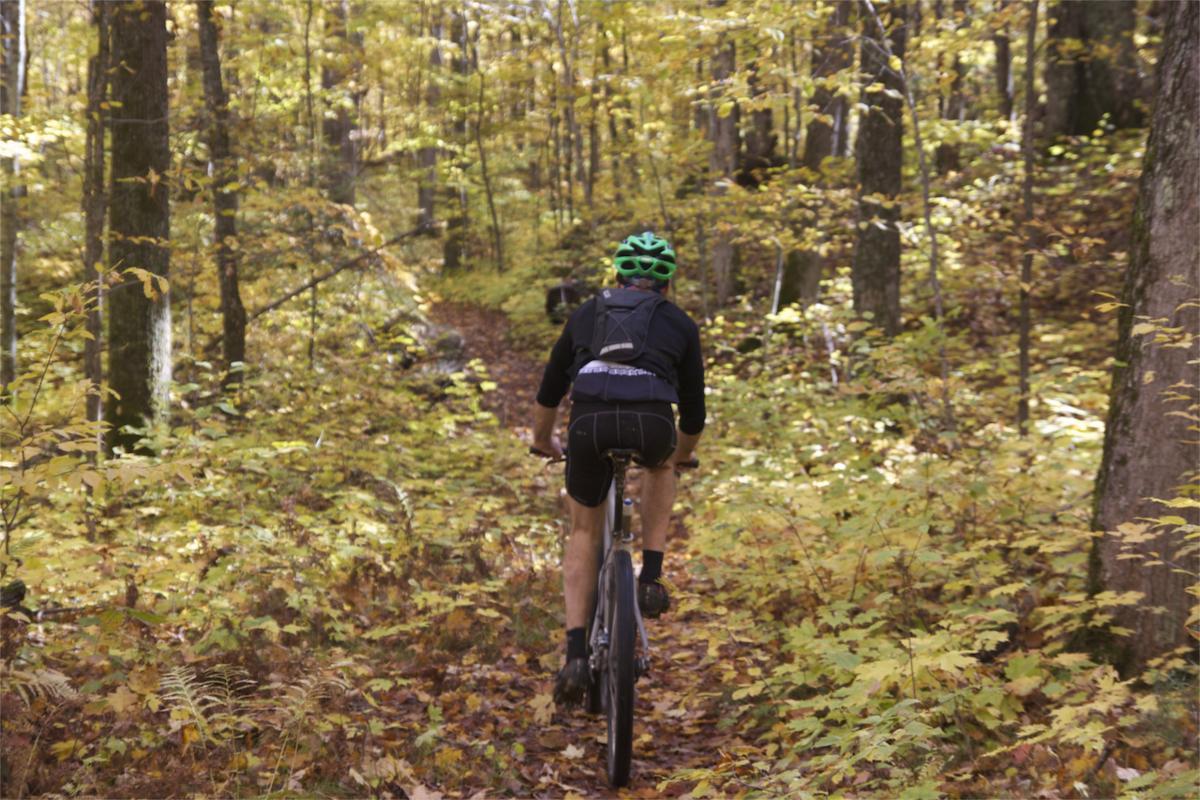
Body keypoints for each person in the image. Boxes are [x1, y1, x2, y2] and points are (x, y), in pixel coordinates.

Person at [530, 231, 706, 705]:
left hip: (589, 424)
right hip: (652, 423)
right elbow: (693, 414)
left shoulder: (586, 313)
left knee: (584, 531)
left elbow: (549, 393)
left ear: (618, 275)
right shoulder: (680, 323)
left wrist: (542, 441)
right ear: (667, 283)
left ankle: (574, 657)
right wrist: (682, 453)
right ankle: (650, 574)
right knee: (661, 465)